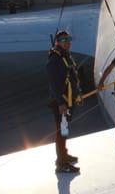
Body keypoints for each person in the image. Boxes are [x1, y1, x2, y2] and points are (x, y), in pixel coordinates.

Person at [47, 30, 82, 173]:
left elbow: (73, 76)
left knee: (64, 130)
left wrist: (77, 94)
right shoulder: (54, 59)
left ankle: (63, 155)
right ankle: (61, 163)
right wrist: (61, 103)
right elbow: (53, 84)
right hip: (61, 103)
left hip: (68, 100)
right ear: (57, 42)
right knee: (61, 132)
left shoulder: (65, 55)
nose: (67, 42)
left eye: (68, 39)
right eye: (63, 40)